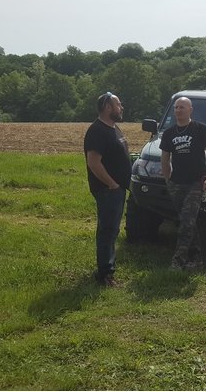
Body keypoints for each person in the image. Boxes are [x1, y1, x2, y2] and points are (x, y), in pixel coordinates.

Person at [159, 97, 206, 270]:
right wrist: (167, 179)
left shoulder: (200, 129)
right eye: (176, 107)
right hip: (176, 183)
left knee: (186, 222)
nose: (178, 110)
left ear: (190, 109)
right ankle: (196, 258)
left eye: (182, 107)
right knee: (188, 221)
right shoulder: (169, 133)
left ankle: (178, 260)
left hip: (195, 182)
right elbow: (165, 158)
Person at [84, 92, 130, 286]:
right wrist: (111, 183)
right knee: (107, 230)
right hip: (107, 190)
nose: (121, 108)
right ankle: (104, 274)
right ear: (108, 107)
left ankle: (107, 270)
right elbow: (93, 162)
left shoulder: (113, 128)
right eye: (118, 104)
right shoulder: (97, 131)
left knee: (111, 230)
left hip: (116, 189)